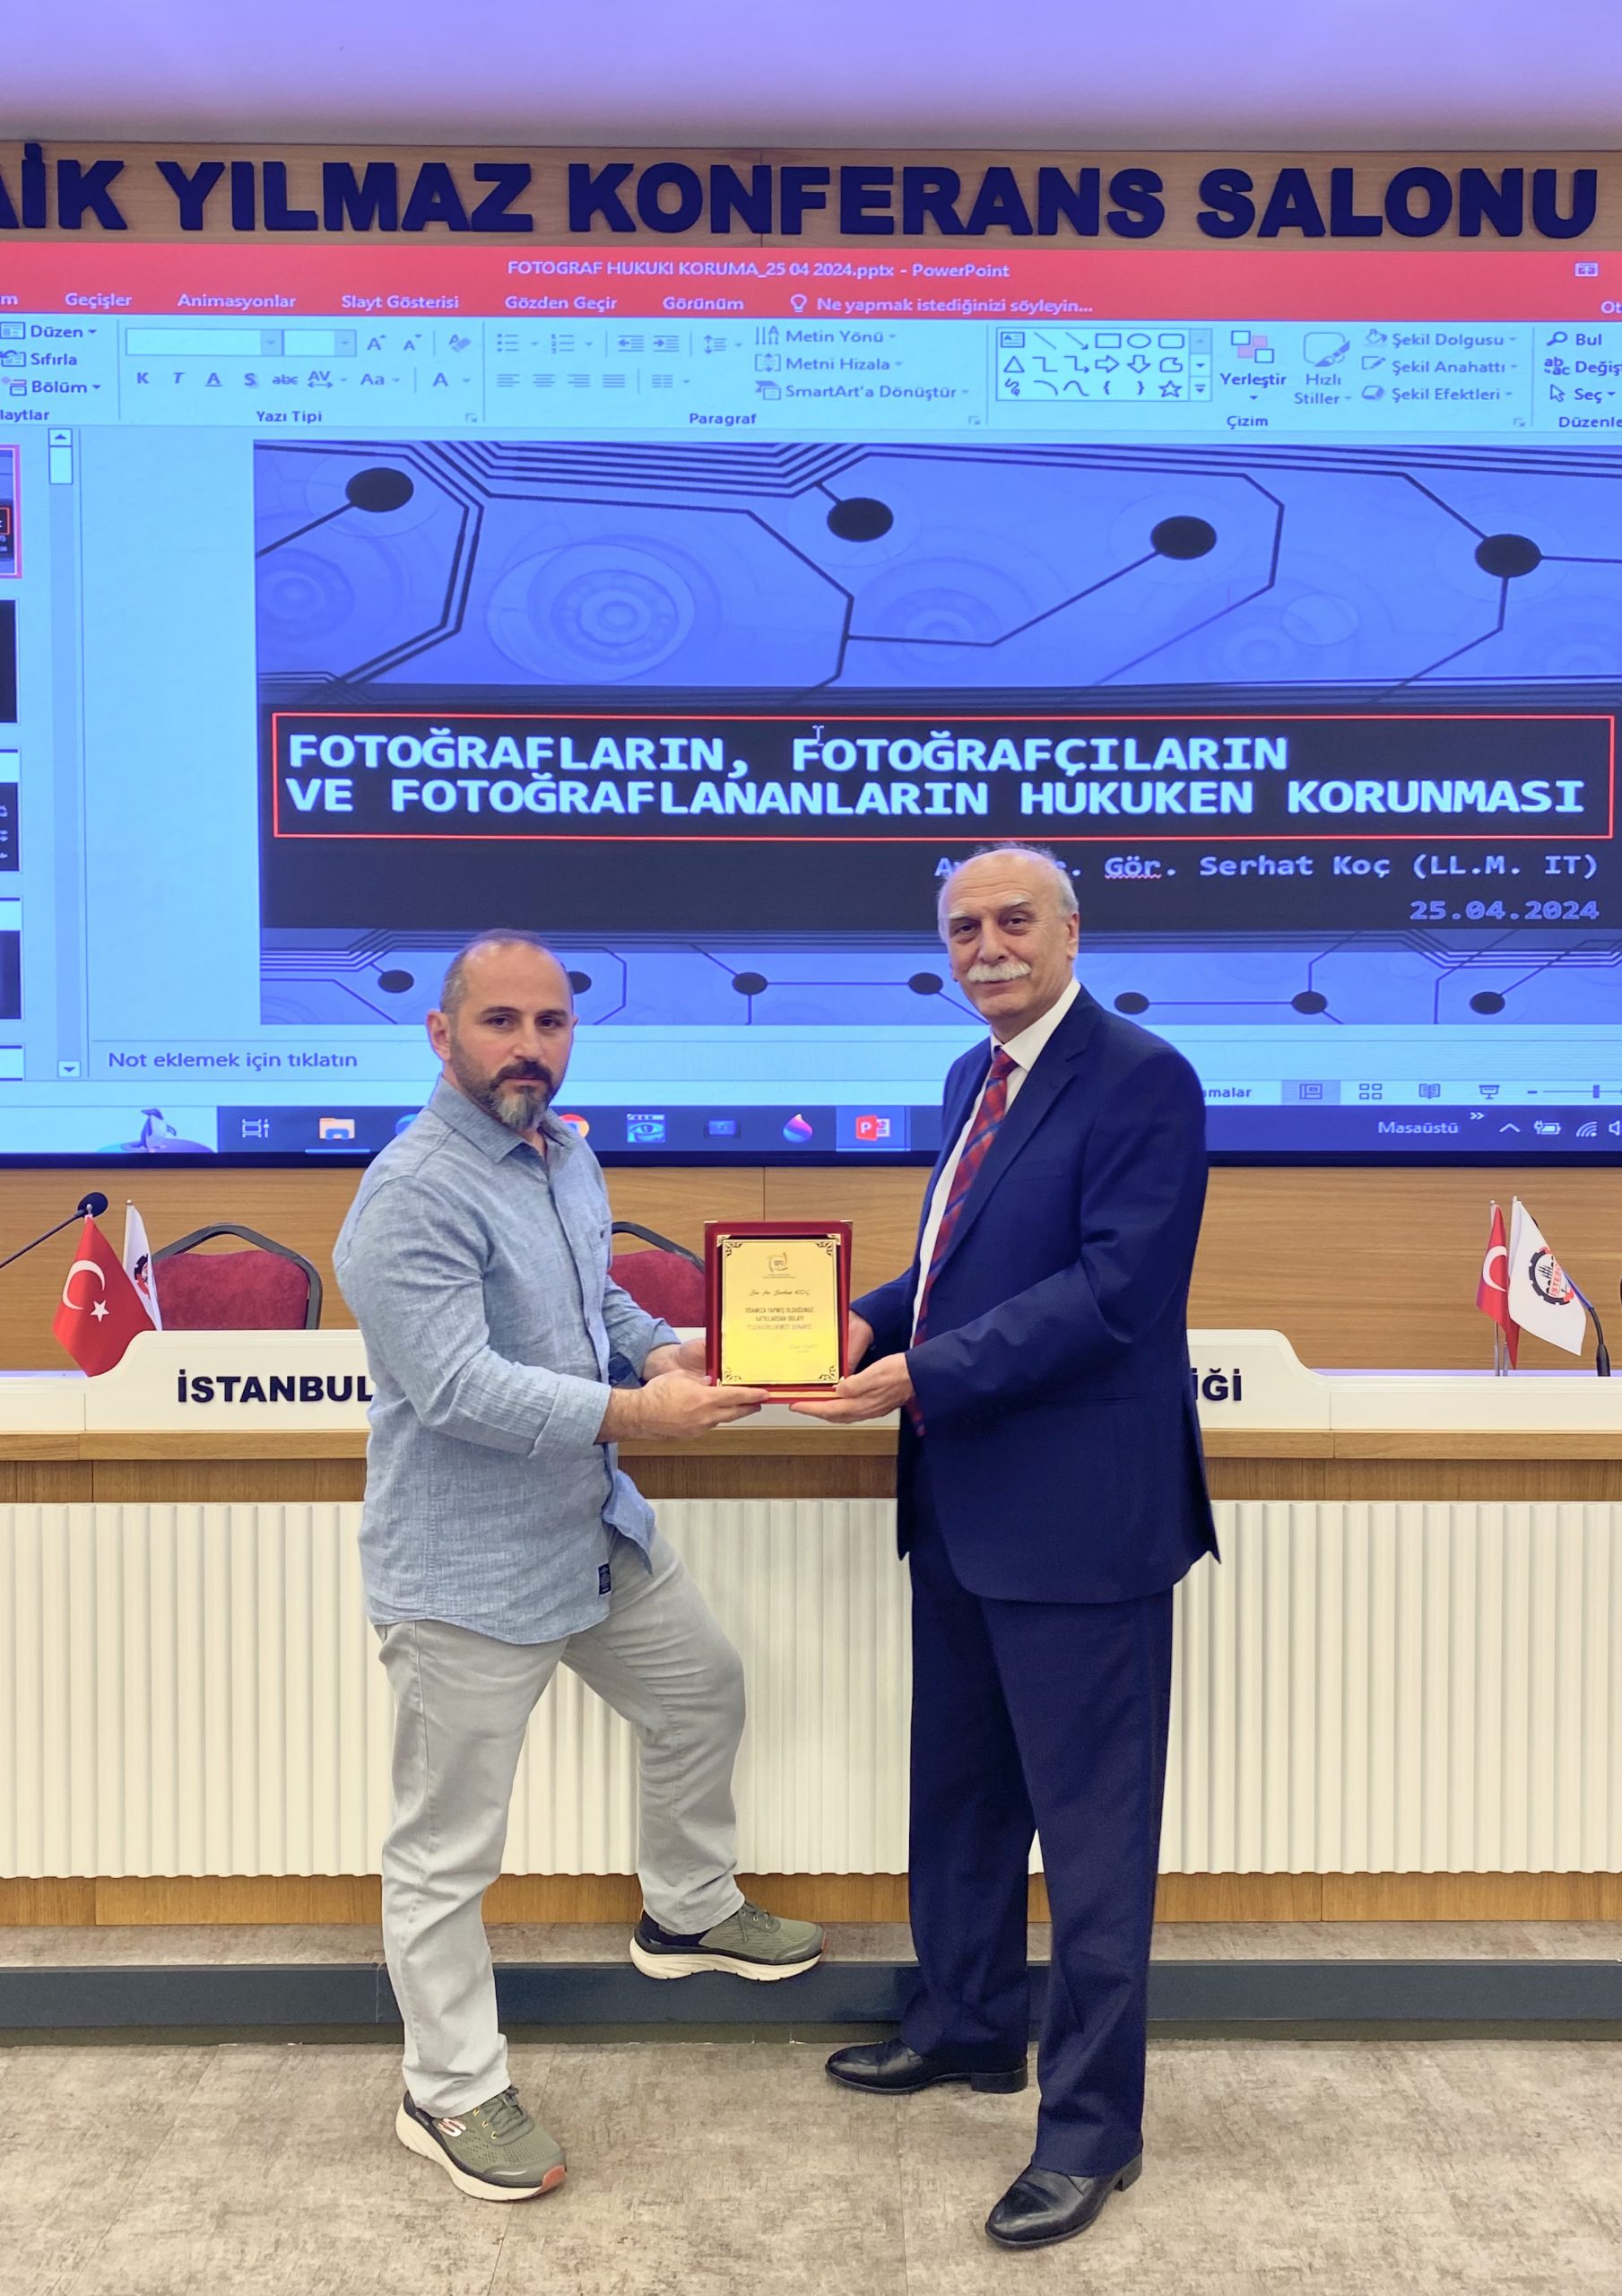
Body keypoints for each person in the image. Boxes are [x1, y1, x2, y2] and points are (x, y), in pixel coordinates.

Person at [335, 931, 824, 2205]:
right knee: (447, 1850)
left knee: (702, 1692)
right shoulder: (411, 1193)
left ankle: (686, 1907)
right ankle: (447, 2088)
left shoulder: (564, 1151)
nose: (529, 1047)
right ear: (441, 1034)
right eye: (500, 1022)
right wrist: (635, 1413)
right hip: (466, 1571)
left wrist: (659, 1349)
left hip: (594, 1531)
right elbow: (455, 1386)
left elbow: (591, 1300)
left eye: (550, 1023)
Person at [794, 845, 1215, 2251]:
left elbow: (1113, 1293)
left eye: (1013, 920)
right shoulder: (971, 1078)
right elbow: (955, 1270)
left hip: (1085, 1525)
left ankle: (1092, 2131)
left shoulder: (1143, 1079)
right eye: (964, 926)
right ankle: (967, 2023)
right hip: (962, 1508)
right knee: (962, 1799)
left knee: (1094, 1849)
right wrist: (858, 1321)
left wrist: (921, 1373)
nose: (987, 946)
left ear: (1071, 932)